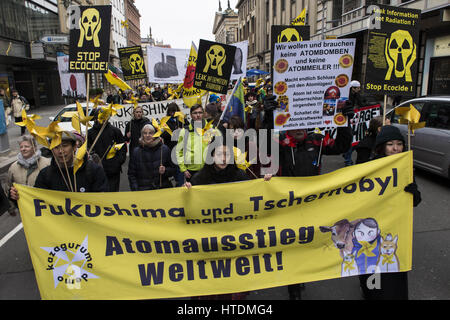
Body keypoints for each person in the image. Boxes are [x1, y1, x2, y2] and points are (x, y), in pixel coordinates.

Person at [273, 104, 354, 299]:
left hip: (312, 203)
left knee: (306, 242)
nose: (300, 128)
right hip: (288, 204)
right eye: (295, 124)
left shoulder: (317, 140)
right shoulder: (281, 141)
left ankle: (301, 275)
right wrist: (269, 115)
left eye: (304, 124)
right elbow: (262, 143)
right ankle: (293, 284)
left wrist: (344, 121)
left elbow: (341, 147)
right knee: (291, 243)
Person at [358, 125, 421, 300]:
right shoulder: (371, 167)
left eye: (399, 144)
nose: (395, 148)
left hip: (394, 230)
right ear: (382, 147)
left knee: (394, 275)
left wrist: (413, 191)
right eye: (390, 144)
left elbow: (415, 201)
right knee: (373, 272)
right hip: (373, 230)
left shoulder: (405, 167)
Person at [9, 132, 109, 199]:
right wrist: (16, 195)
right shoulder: (45, 175)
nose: (61, 151)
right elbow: (36, 201)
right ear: (52, 150)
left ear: (74, 147)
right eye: (56, 147)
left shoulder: (93, 170)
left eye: (65, 146)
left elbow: (104, 200)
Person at [6, 135, 51, 215]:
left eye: (26, 146)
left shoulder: (47, 163)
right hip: (25, 210)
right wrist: (11, 207)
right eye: (21, 147)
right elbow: (8, 188)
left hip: (46, 209)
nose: (23, 149)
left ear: (34, 147)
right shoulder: (13, 167)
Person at [88, 109, 127, 192]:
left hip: (113, 170)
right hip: (96, 170)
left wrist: (118, 162)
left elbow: (122, 148)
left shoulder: (115, 131)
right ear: (95, 119)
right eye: (100, 117)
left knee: (112, 194)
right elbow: (87, 149)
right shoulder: (90, 133)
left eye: (104, 117)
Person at [128, 124, 175, 191]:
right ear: (142, 135)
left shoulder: (164, 149)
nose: (147, 135)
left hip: (162, 189)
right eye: (145, 133)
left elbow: (173, 170)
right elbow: (132, 174)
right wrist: (135, 189)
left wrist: (165, 171)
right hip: (143, 190)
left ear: (155, 134)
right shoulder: (136, 152)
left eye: (150, 133)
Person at [175, 104, 211, 184]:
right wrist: (183, 169)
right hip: (191, 171)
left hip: (209, 169)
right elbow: (179, 151)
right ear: (191, 115)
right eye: (195, 113)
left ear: (203, 114)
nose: (198, 115)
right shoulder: (185, 131)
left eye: (200, 112)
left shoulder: (211, 129)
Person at [342, 80, 364, 166]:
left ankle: (346, 155)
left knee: (355, 140)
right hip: (347, 120)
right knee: (351, 140)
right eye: (357, 88)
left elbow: (361, 104)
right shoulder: (347, 96)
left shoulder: (357, 95)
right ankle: (347, 159)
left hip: (354, 120)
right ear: (353, 88)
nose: (359, 89)